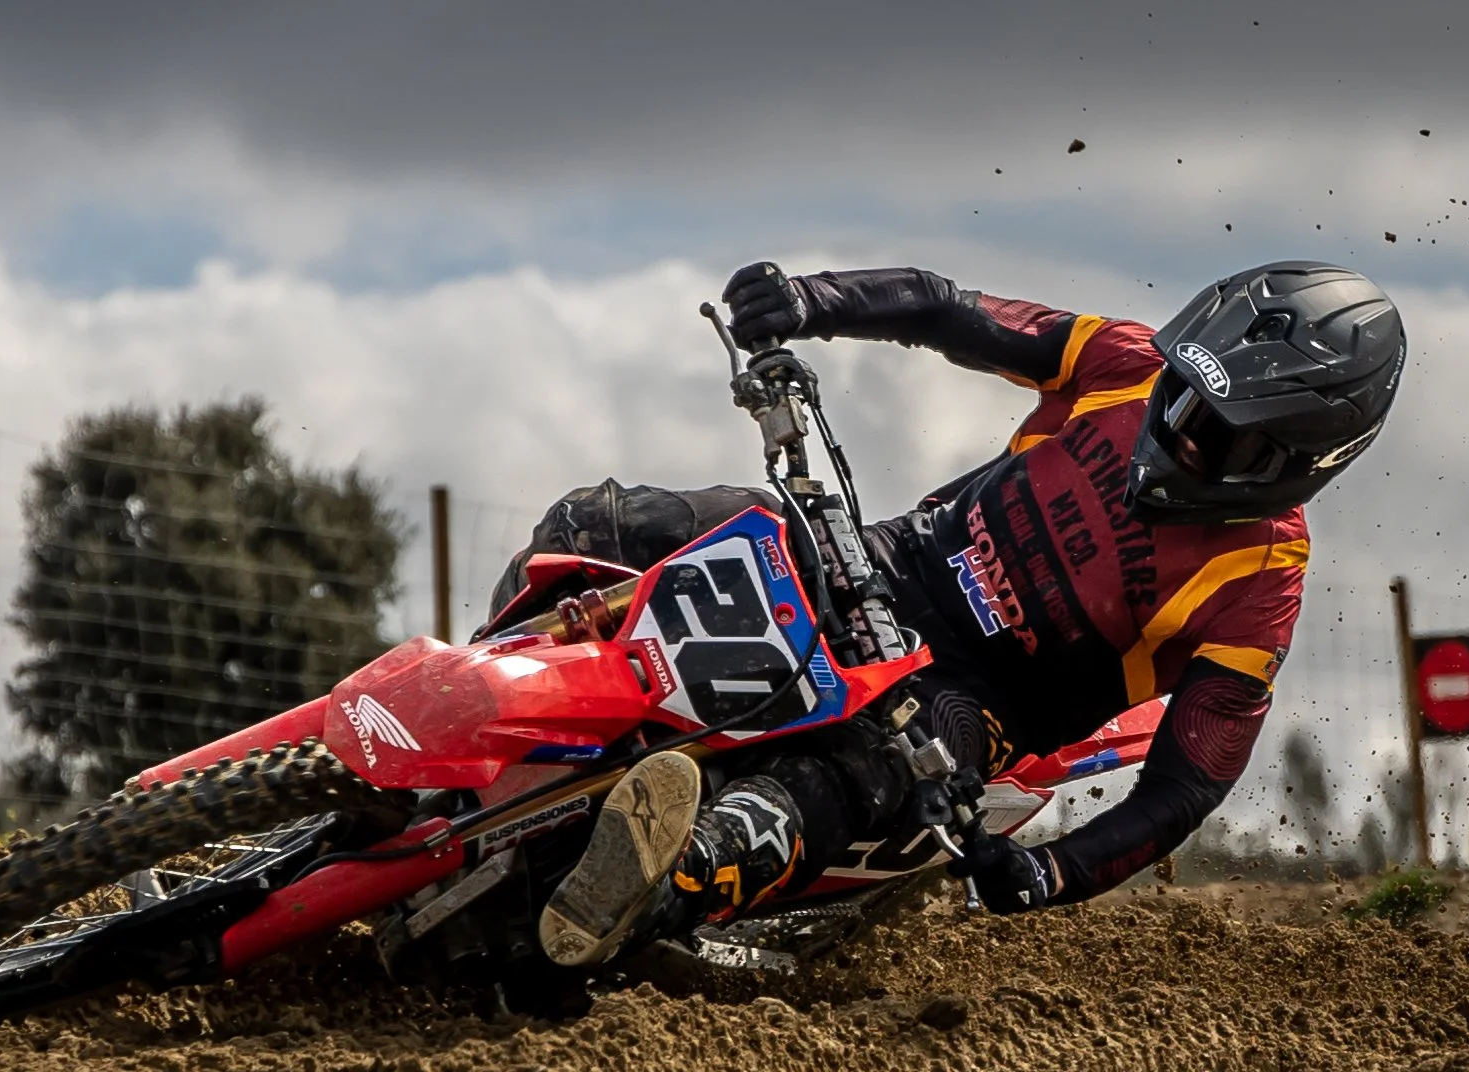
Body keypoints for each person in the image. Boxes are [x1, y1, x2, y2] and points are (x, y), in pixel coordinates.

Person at [522, 259, 1407, 968]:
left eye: (1224, 434)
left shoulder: (1261, 582)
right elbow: (945, 308)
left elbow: (1187, 787)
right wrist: (806, 299)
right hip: (873, 560)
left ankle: (653, 885)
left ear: (1302, 460)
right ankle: (488, 695)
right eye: (1183, 395)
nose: (1180, 431)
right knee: (595, 524)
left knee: (863, 774)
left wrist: (1051, 870)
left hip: (972, 697)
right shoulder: (1125, 361)